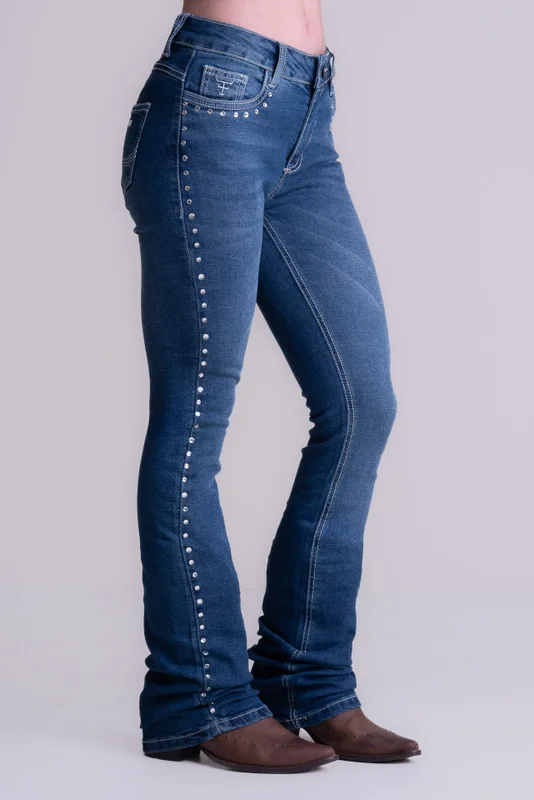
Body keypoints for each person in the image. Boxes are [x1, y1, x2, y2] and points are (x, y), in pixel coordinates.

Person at [120, 0, 420, 773]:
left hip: (307, 114)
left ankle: (306, 679)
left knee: (362, 403)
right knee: (195, 415)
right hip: (212, 103)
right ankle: (198, 695)